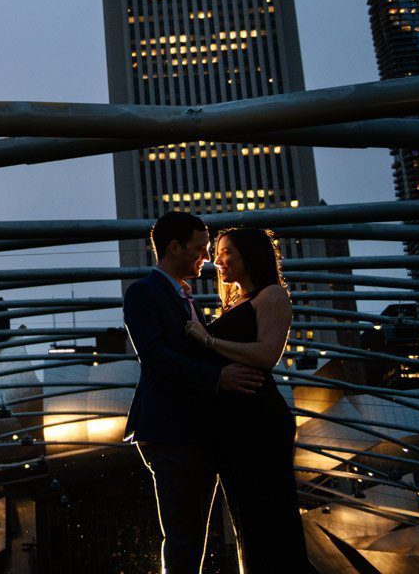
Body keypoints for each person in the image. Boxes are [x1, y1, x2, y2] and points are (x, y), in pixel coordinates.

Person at [122, 211, 266, 574]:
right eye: (201, 248)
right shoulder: (143, 293)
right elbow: (155, 357)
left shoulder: (186, 300)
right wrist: (219, 379)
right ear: (174, 248)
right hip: (170, 431)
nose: (209, 257)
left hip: (194, 433)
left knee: (194, 534)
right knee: (184, 534)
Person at [184, 227, 316, 573]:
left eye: (227, 252)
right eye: (217, 252)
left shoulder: (271, 296)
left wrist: (207, 340)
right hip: (233, 423)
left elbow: (267, 354)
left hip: (260, 420)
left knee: (269, 515)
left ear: (251, 255)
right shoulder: (232, 303)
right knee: (247, 519)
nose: (218, 260)